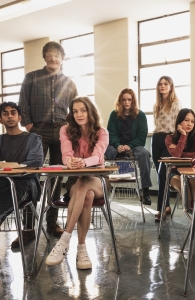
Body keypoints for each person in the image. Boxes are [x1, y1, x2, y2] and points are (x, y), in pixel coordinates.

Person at [18, 41, 77, 237]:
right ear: (44, 57)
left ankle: (52, 223)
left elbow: (76, 109)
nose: (53, 58)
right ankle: (28, 227)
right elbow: (23, 103)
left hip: (61, 132)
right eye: (50, 55)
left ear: (63, 58)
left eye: (57, 55)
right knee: (31, 176)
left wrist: (72, 130)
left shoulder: (69, 83)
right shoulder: (32, 78)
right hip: (38, 131)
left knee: (56, 177)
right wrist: (27, 124)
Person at [45, 97, 108, 269]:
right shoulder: (66, 130)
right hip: (75, 179)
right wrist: (69, 162)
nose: (79, 114)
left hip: (98, 178)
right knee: (85, 193)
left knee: (85, 182)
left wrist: (83, 162)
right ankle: (81, 249)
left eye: (83, 110)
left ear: (90, 111)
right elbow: (65, 154)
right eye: (75, 111)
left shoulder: (102, 132)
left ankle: (64, 240)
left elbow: (98, 156)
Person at [0, 102, 43, 248]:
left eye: (13, 113)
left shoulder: (33, 139)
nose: (10, 116)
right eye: (5, 114)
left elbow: (35, 161)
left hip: (25, 185)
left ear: (20, 118)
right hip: (3, 183)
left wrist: (9, 166)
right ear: (0, 119)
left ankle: (28, 231)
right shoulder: (0, 140)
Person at [105, 88, 152, 205]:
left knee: (144, 153)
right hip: (116, 147)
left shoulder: (140, 115)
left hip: (133, 147)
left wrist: (129, 146)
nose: (126, 102)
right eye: (124, 99)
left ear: (133, 101)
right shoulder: (114, 114)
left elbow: (141, 137)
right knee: (102, 149)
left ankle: (145, 190)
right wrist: (117, 145)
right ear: (120, 101)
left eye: (129, 100)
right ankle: (104, 186)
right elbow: (111, 134)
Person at [151, 76, 181, 222]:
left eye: (165, 84)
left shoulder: (175, 104)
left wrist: (175, 142)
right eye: (160, 84)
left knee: (164, 172)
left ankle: (161, 209)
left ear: (170, 86)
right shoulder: (156, 105)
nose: (162, 86)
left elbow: (179, 126)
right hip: (156, 139)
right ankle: (167, 206)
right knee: (160, 175)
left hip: (169, 140)